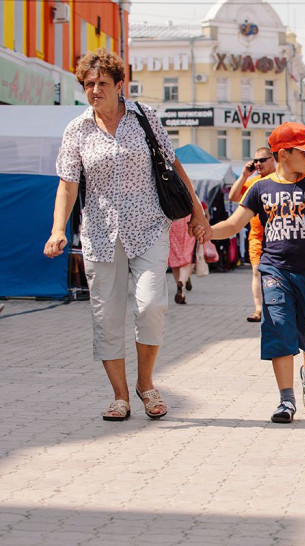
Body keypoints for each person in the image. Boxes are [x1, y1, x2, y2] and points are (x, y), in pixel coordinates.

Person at [43, 48, 210, 421]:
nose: (95, 90)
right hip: (100, 234)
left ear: (120, 85)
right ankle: (120, 396)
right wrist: (57, 230)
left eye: (103, 83)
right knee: (106, 315)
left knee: (150, 305)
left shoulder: (144, 117)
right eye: (89, 84)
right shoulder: (77, 129)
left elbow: (173, 165)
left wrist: (197, 213)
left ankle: (145, 384)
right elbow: (67, 184)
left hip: (149, 226)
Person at [210, 122, 305, 424]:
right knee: (279, 328)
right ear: (283, 154)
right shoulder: (260, 188)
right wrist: (206, 231)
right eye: (304, 152)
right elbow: (233, 225)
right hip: (274, 270)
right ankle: (286, 400)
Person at [228, 146, 277, 322]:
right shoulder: (252, 182)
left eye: (262, 160)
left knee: (276, 274)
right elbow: (233, 197)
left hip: (278, 236)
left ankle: (275, 307)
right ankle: (258, 309)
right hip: (256, 236)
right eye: (255, 160)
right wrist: (244, 176)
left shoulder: (280, 179)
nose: (257, 164)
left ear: (273, 159)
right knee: (256, 272)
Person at [168, 213, 196, 305]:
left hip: (172, 222)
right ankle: (181, 283)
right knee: (187, 258)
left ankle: (180, 289)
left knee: (174, 258)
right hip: (187, 221)